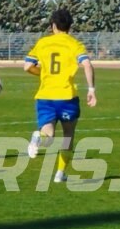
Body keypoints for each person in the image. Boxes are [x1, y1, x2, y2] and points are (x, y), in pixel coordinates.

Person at [24, 9, 97, 183]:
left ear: (53, 26)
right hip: (67, 97)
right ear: (70, 26)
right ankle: (60, 173)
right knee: (68, 136)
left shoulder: (43, 43)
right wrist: (91, 89)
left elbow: (27, 66)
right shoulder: (74, 44)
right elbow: (87, 64)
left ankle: (38, 138)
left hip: (45, 96)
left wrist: (42, 73)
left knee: (48, 136)